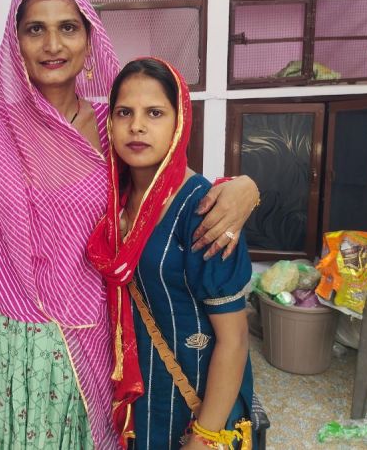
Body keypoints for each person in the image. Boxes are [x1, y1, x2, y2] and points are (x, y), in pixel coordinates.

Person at [0, 0, 259, 449]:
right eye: (35, 29)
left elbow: (167, 179)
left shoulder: (111, 123)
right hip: (15, 342)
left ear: (89, 39)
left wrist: (245, 187)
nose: (53, 44)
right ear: (15, 41)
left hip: (98, 342)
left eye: (68, 28)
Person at [87, 58, 254, 450]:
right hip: (140, 396)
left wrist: (205, 436)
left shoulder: (205, 210)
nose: (137, 126)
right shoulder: (113, 200)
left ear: (179, 122)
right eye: (124, 112)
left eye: (155, 113)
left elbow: (234, 340)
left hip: (197, 402)